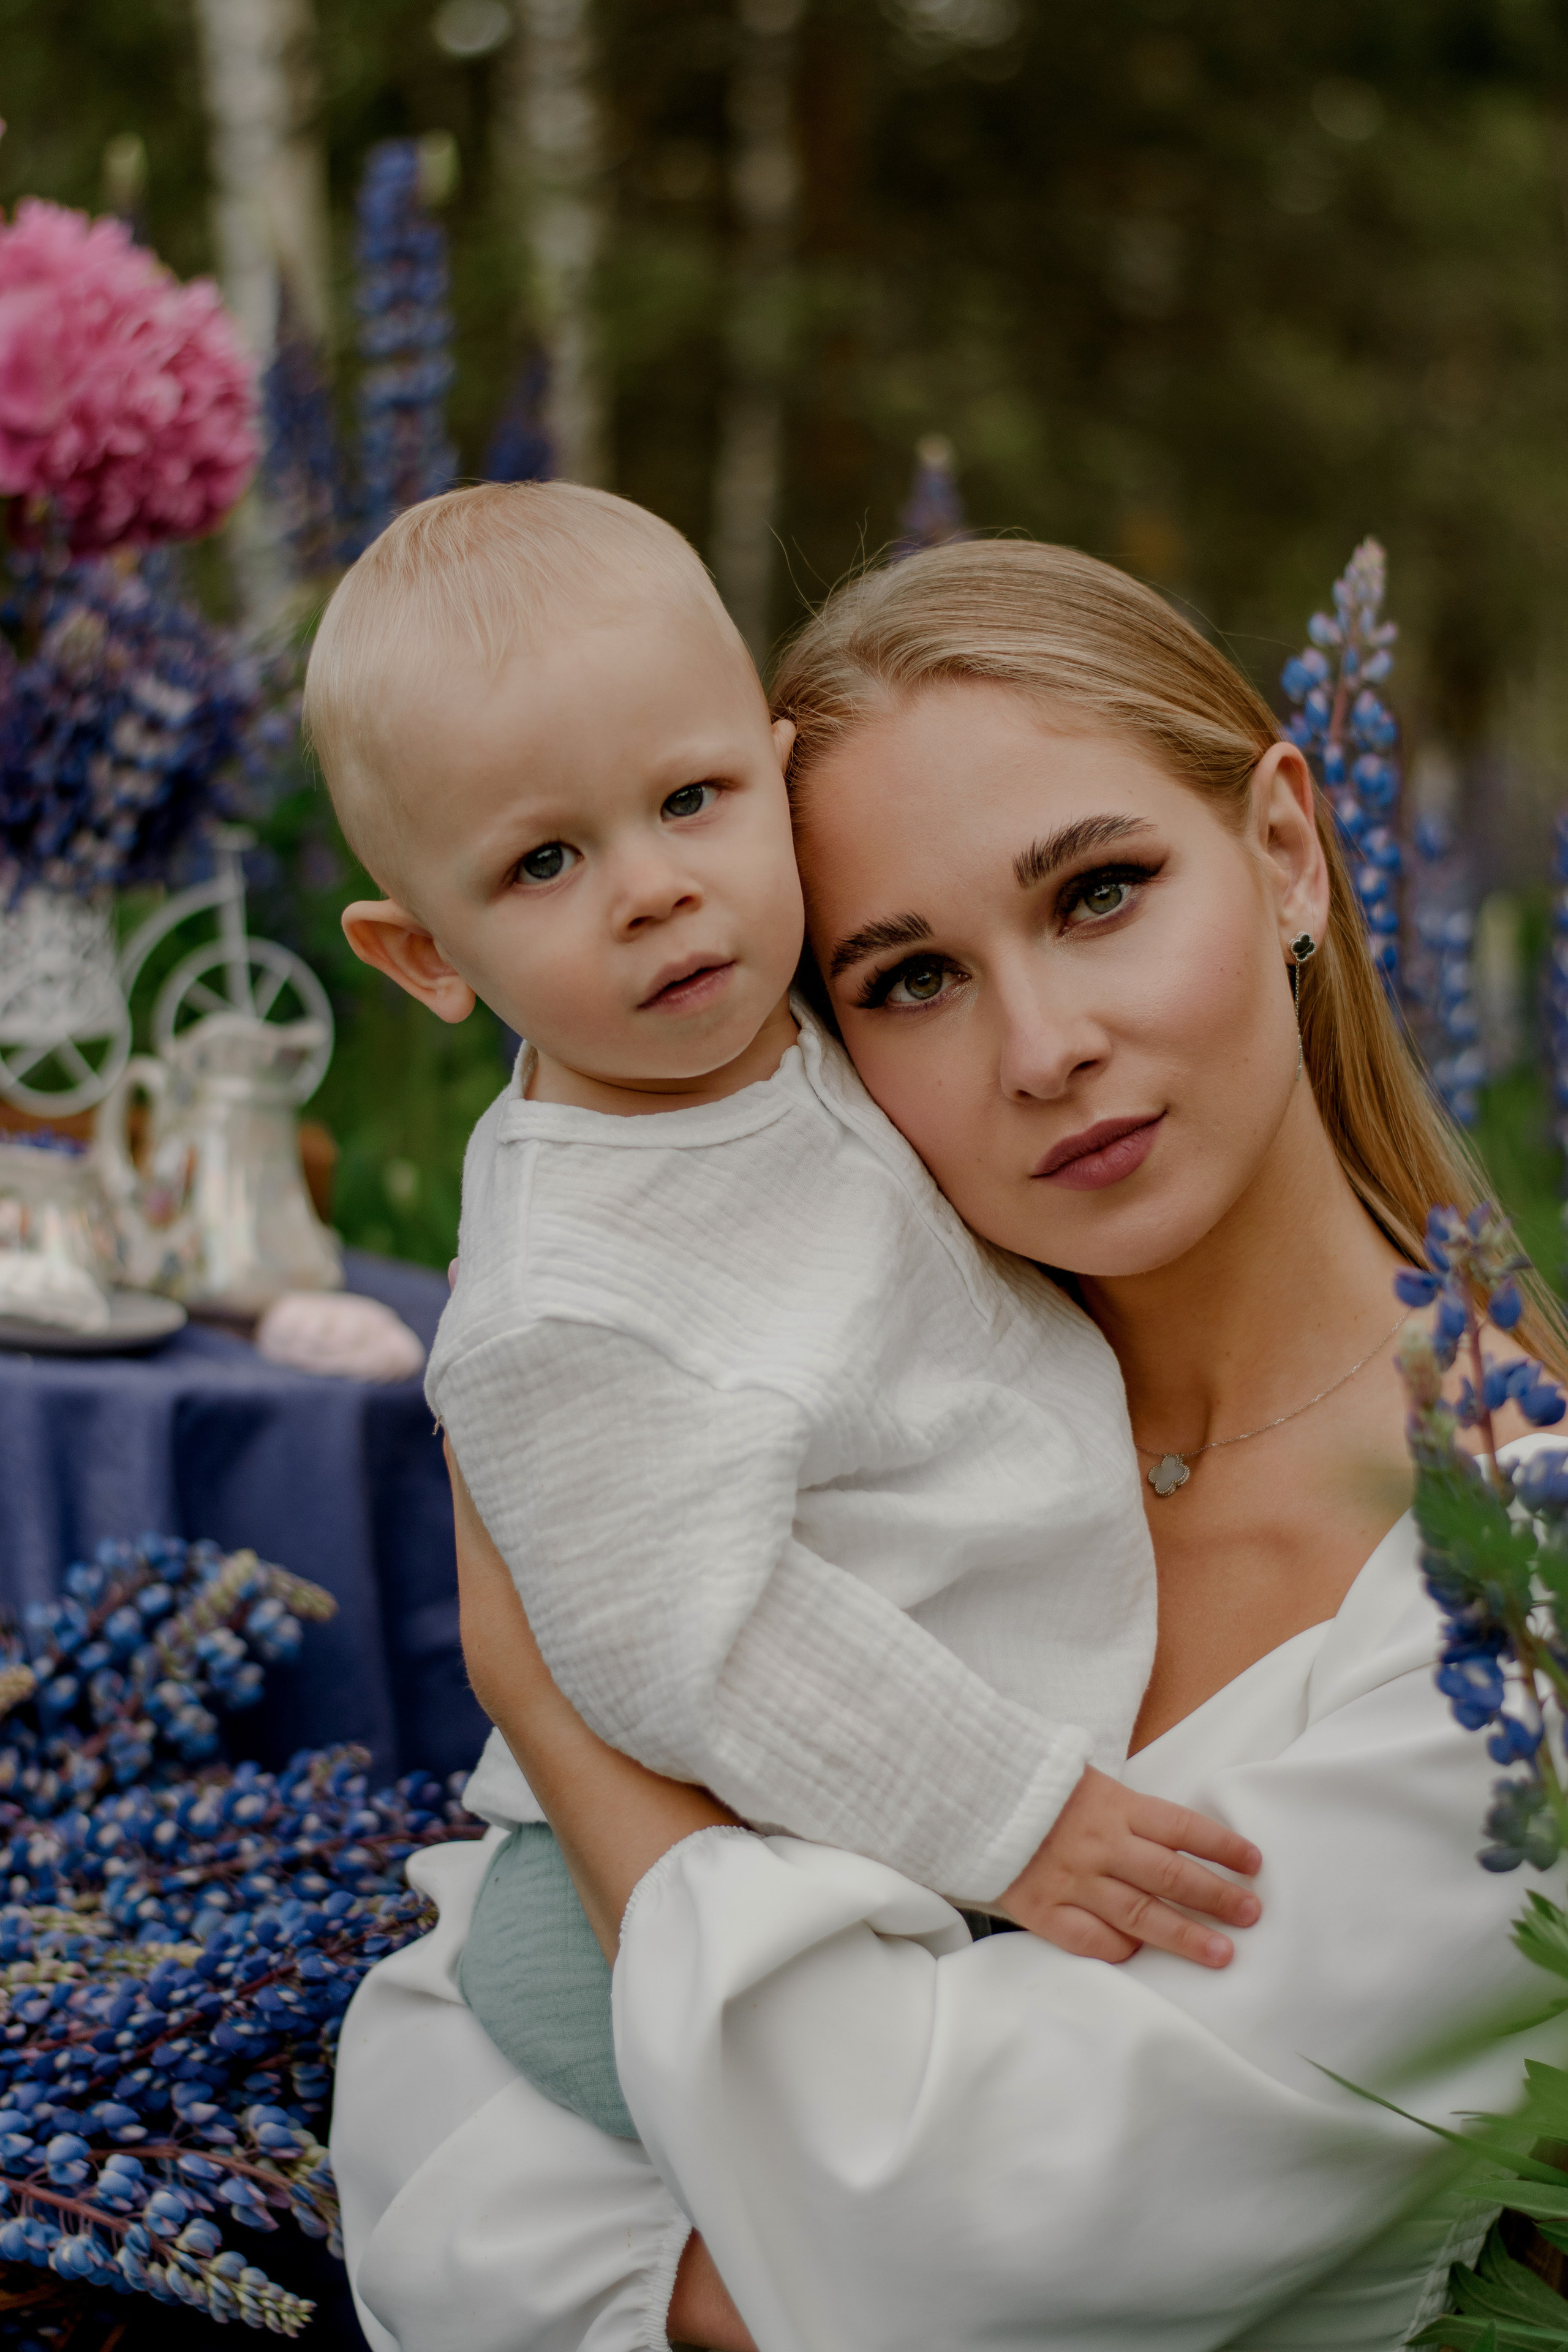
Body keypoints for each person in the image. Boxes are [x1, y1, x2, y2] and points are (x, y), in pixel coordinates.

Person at [332, 539, 1567, 2352]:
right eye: (907, 980)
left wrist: (556, 1715)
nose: (1044, 1049)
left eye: (1100, 893)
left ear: (1290, 850)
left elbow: (965, 2256)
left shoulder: (1509, 1591)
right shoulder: (866, 1429)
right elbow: (434, 2081)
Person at [303, 489, 1259, 2146]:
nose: (655, 890)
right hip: (738, 1872)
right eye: (543, 861)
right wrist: (1013, 1819)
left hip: (909, 1820)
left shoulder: (793, 1033)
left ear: (778, 774)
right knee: (928, 2208)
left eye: (692, 799)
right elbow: (709, 1645)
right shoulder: (569, 1296)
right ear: (423, 956)